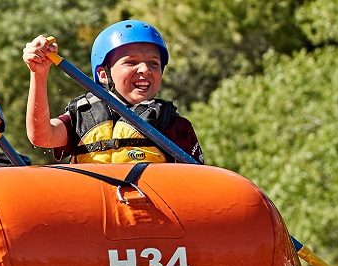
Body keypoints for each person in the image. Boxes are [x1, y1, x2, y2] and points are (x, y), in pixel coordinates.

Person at [21, 20, 203, 164]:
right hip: (92, 209)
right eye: (131, 62)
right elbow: (41, 136)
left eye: (154, 63)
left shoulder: (175, 125)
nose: (145, 70)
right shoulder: (81, 117)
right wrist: (39, 74)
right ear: (103, 74)